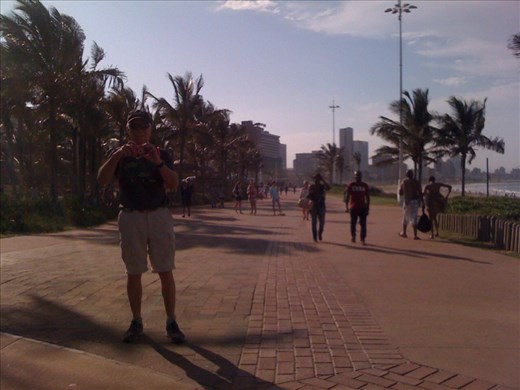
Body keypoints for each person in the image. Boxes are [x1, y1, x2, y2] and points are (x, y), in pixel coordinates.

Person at [97, 110, 185, 344]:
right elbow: (103, 179)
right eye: (134, 127)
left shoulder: (161, 154)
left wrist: (156, 163)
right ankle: (136, 320)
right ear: (127, 130)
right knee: (134, 271)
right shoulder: (117, 154)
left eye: (143, 127)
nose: (138, 132)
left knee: (165, 270)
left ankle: (171, 321)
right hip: (130, 216)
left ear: (150, 129)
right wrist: (117, 156)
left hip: (158, 215)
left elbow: (173, 183)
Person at [345, 171, 370, 245]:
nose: (358, 177)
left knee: (363, 224)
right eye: (356, 176)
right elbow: (347, 197)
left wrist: (368, 207)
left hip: (362, 207)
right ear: (354, 177)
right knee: (353, 223)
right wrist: (347, 207)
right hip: (353, 207)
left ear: (361, 176)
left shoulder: (364, 185)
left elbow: (367, 197)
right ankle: (353, 236)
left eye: (359, 176)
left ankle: (362, 238)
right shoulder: (351, 185)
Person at [398, 169, 424, 240]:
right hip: (415, 201)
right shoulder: (417, 182)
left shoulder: (404, 182)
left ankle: (404, 233)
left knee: (405, 217)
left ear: (406, 175)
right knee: (414, 217)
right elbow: (420, 193)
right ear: (412, 175)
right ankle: (415, 235)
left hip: (407, 201)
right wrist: (423, 202)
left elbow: (400, 193)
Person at [307, 173, 331, 242]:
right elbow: (309, 195)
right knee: (314, 222)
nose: (316, 180)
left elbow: (329, 188)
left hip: (321, 206)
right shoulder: (311, 186)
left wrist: (323, 180)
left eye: (317, 179)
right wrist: (310, 198)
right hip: (314, 207)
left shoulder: (322, 186)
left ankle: (320, 233)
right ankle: (314, 237)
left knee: (322, 223)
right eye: (315, 179)